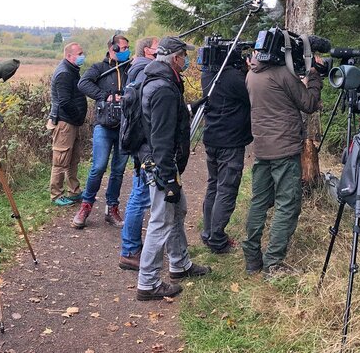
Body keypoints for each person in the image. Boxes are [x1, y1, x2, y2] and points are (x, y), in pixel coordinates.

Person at [136, 36, 210, 300]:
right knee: (161, 220)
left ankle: (179, 264)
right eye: (183, 56)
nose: (186, 60)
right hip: (161, 166)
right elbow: (162, 138)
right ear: (175, 58)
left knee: (178, 210)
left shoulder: (158, 80)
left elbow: (163, 120)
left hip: (161, 163)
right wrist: (168, 178)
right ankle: (148, 283)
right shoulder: (164, 89)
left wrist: (189, 108)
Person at [242, 52, 323, 276]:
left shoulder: (252, 74)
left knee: (259, 201)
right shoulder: (282, 74)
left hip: (262, 147)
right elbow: (308, 103)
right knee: (287, 204)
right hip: (284, 149)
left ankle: (252, 258)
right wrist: (314, 78)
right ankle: (274, 263)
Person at [72, 34, 131, 228]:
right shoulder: (99, 68)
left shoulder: (129, 68)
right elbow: (83, 83)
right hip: (103, 125)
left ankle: (112, 208)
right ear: (112, 48)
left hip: (124, 126)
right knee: (98, 167)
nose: (126, 51)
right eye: (123, 48)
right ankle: (86, 205)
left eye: (128, 48)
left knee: (118, 170)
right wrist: (104, 96)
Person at [200, 50, 252, 254]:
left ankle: (208, 232)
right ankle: (217, 238)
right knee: (226, 189)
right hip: (230, 142)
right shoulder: (233, 77)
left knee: (213, 186)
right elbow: (252, 93)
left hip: (212, 137)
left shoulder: (208, 75)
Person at [118, 36, 159, 271]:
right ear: (147, 51)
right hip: (143, 143)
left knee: (139, 192)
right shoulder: (144, 71)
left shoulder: (136, 68)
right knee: (141, 195)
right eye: (156, 48)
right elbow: (146, 109)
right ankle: (130, 250)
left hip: (137, 141)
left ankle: (132, 247)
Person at [47, 42, 88, 206]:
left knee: (73, 159)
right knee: (61, 159)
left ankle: (74, 191)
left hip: (72, 122)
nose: (82, 56)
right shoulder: (64, 73)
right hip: (65, 123)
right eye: (79, 53)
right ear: (69, 56)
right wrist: (77, 115)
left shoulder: (72, 70)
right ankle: (56, 195)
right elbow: (64, 101)